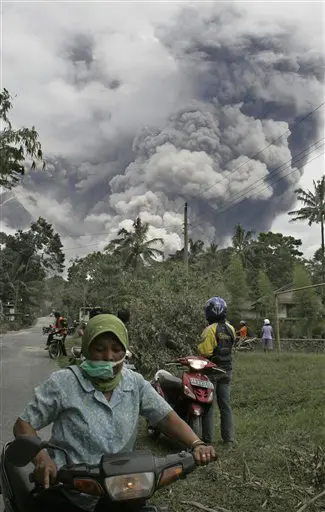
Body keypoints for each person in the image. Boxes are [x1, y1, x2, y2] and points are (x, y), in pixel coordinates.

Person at [14, 314, 216, 512]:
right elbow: (23, 424)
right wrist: (41, 458)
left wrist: (196, 443)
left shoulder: (135, 383)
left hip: (122, 489)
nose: (108, 356)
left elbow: (165, 417)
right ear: (86, 349)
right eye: (99, 349)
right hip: (68, 488)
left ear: (125, 352)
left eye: (117, 350)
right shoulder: (62, 383)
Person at [197, 297, 236, 446]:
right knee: (225, 405)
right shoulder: (231, 328)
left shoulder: (209, 330)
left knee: (208, 405)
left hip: (211, 371)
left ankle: (208, 439)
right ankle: (229, 440)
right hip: (227, 370)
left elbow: (204, 351)